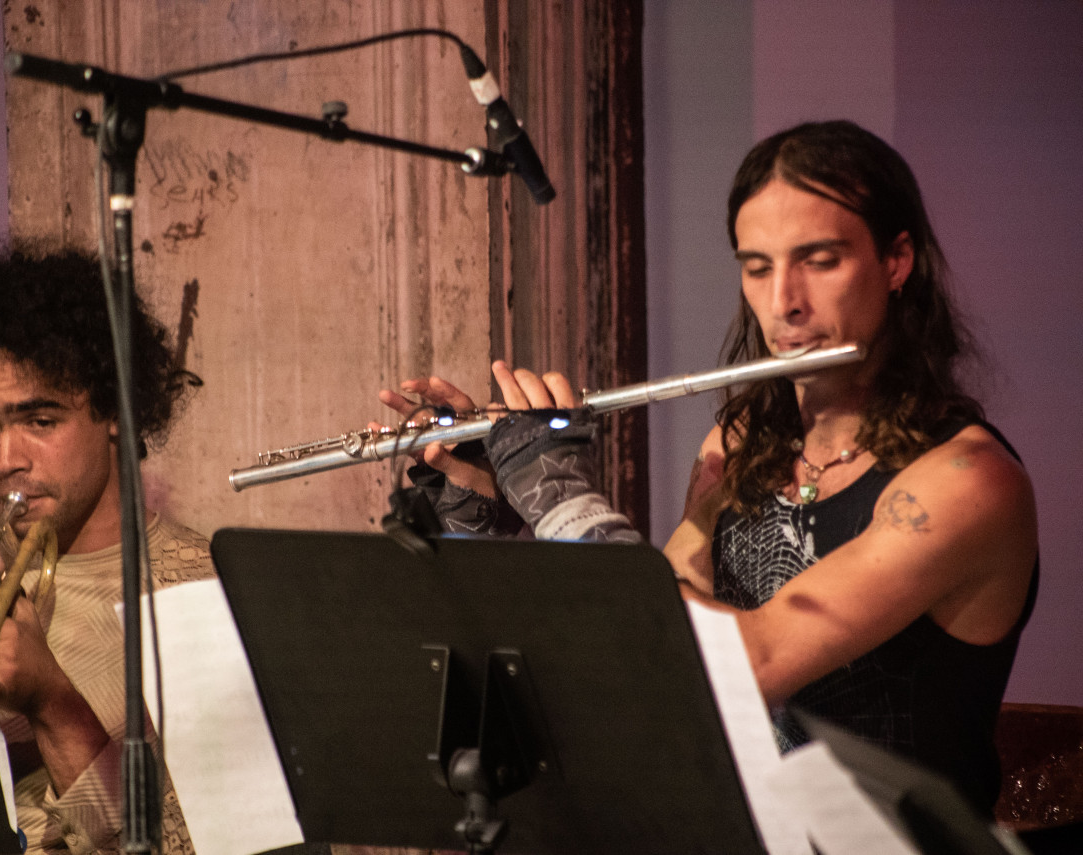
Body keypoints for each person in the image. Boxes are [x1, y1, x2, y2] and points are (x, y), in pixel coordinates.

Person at [380, 120, 1038, 814]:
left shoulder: (966, 483)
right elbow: (643, 655)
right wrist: (490, 499)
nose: (784, 302)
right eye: (758, 267)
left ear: (896, 261)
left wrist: (557, 492)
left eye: (820, 261)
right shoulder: (743, 440)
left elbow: (747, 663)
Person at [0, 239, 210, 854]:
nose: (5, 460)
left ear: (115, 410)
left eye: (40, 421)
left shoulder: (203, 590)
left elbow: (181, 844)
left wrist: (52, 700)